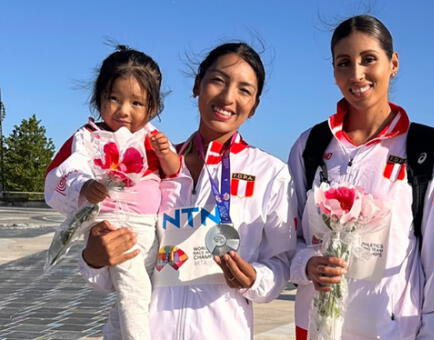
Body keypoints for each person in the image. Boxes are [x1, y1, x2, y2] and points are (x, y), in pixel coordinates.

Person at [77, 42, 297, 339]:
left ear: (254, 105)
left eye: (244, 90)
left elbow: (282, 261)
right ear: (197, 86)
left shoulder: (270, 173)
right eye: (218, 80)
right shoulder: (148, 163)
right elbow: (112, 272)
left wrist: (256, 279)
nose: (228, 97)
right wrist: (94, 258)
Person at [288, 15, 434, 339]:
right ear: (334, 72)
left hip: (391, 328)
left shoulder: (423, 148)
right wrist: (306, 264)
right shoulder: (311, 145)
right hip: (318, 325)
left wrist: (433, 328)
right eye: (344, 63)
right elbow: (286, 237)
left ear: (393, 63)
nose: (356, 74)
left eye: (368, 60)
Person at [44, 45, 181, 340]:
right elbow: (69, 170)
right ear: (100, 98)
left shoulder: (152, 137)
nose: (123, 111)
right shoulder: (89, 136)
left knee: (145, 292)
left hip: (147, 227)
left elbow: (174, 170)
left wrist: (167, 153)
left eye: (136, 103)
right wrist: (84, 186)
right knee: (135, 289)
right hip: (110, 224)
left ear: (152, 108)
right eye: (114, 99)